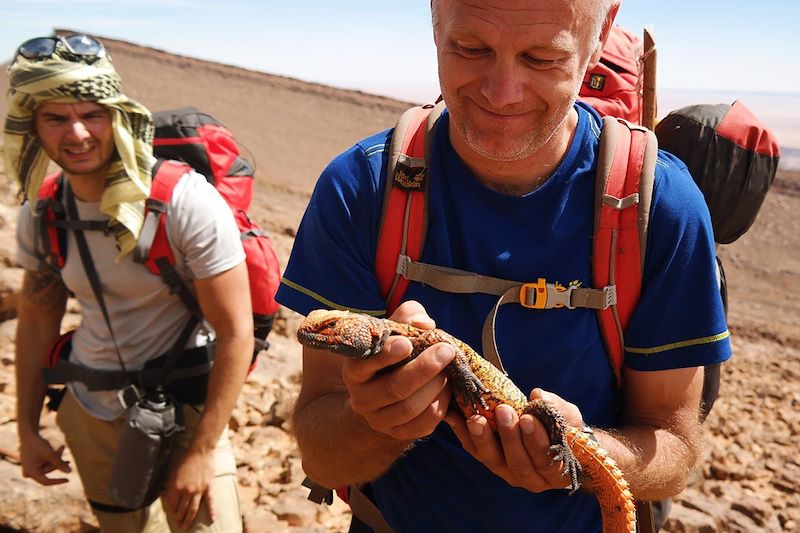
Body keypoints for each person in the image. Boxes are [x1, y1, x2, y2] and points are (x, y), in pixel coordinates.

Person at [277, 0, 732, 531]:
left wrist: (576, 458)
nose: (501, 92)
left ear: (602, 31)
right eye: (471, 48)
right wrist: (379, 421)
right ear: (434, 15)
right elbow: (323, 457)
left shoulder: (660, 206)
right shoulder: (362, 189)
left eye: (541, 58)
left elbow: (673, 450)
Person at [6, 34, 253, 532]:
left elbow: (235, 332)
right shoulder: (44, 212)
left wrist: (203, 452)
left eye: (91, 114)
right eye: (55, 118)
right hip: (91, 411)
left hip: (187, 406)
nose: (76, 133)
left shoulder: (185, 202)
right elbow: (36, 320)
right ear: (33, 127)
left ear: (117, 115)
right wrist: (28, 430)